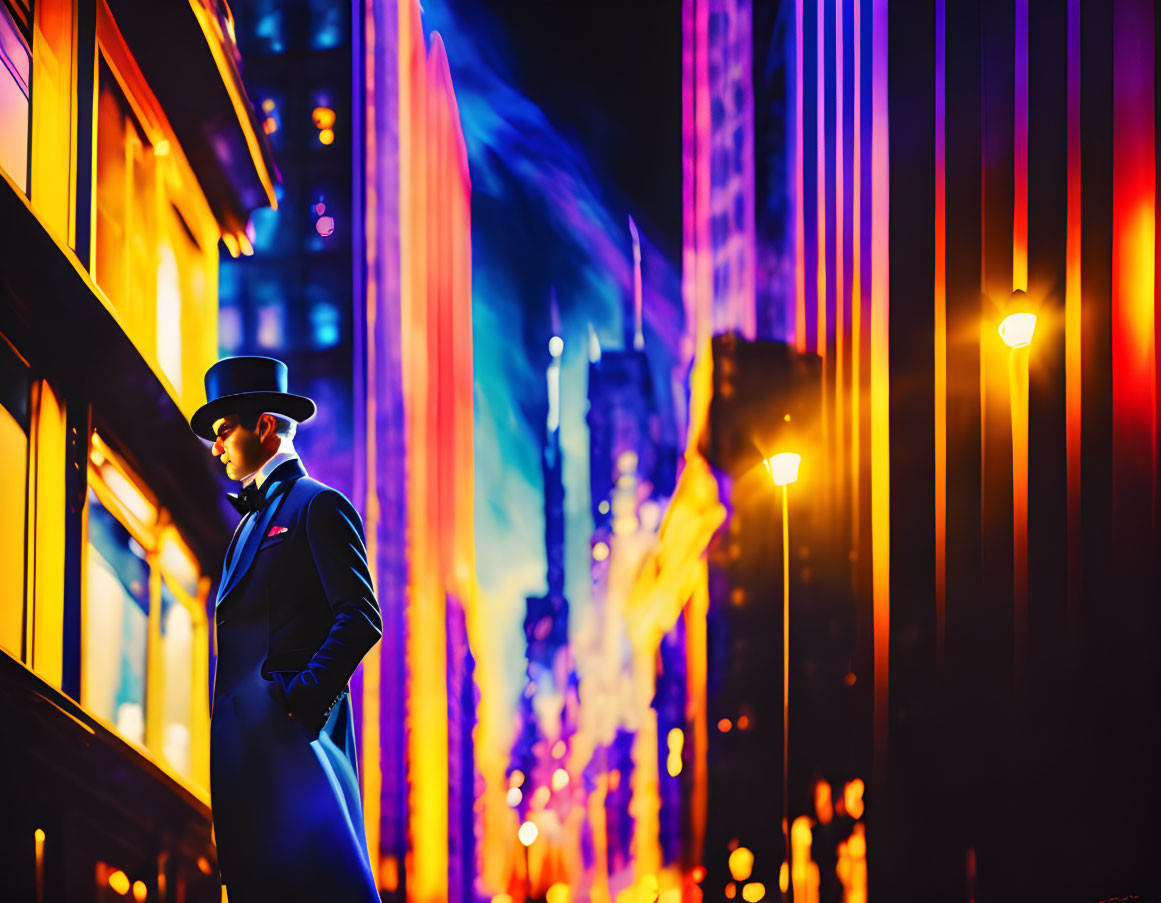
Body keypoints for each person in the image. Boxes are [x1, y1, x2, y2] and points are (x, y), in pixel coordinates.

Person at [190, 355, 381, 902]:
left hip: (297, 759)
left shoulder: (319, 506)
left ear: (266, 427)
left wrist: (296, 705)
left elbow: (360, 616)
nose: (217, 447)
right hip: (246, 771)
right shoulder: (246, 526)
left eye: (224, 431)